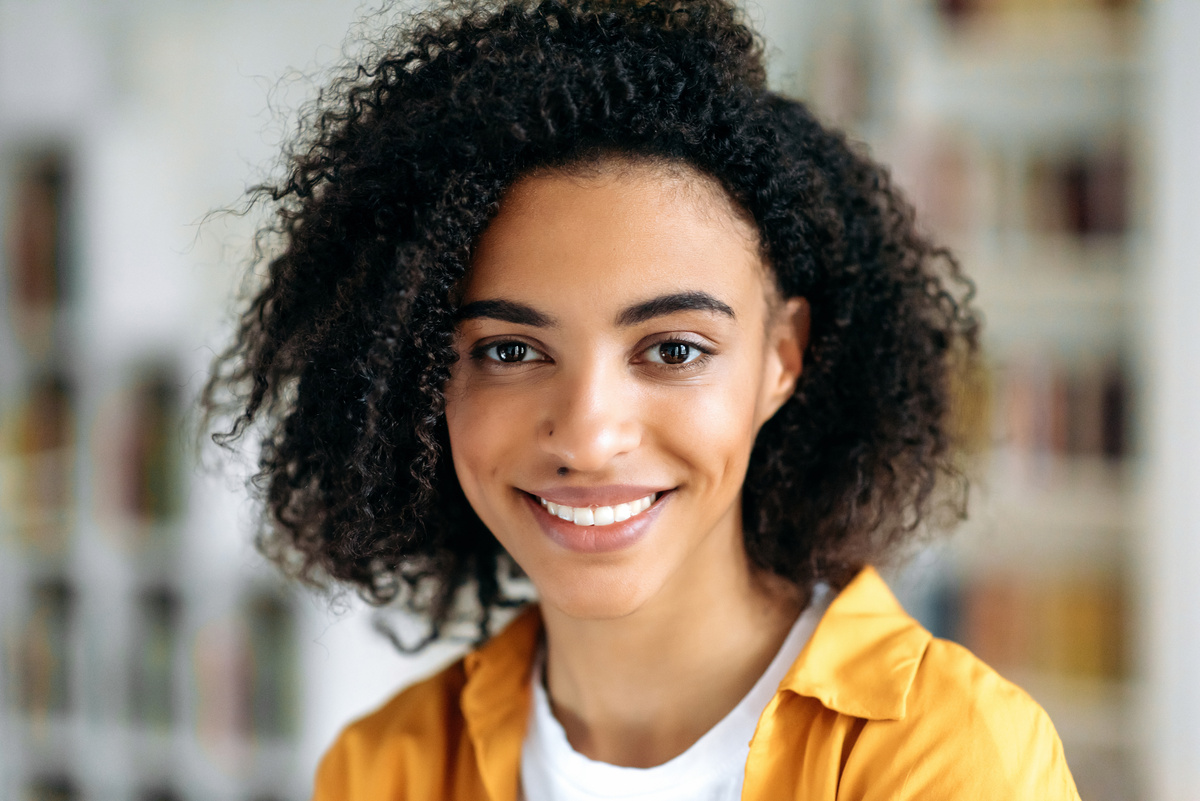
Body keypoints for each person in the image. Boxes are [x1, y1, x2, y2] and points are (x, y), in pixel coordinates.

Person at [203, 0, 1081, 798]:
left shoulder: (952, 758)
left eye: (671, 349)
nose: (589, 434)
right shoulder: (383, 769)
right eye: (510, 350)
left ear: (781, 359)